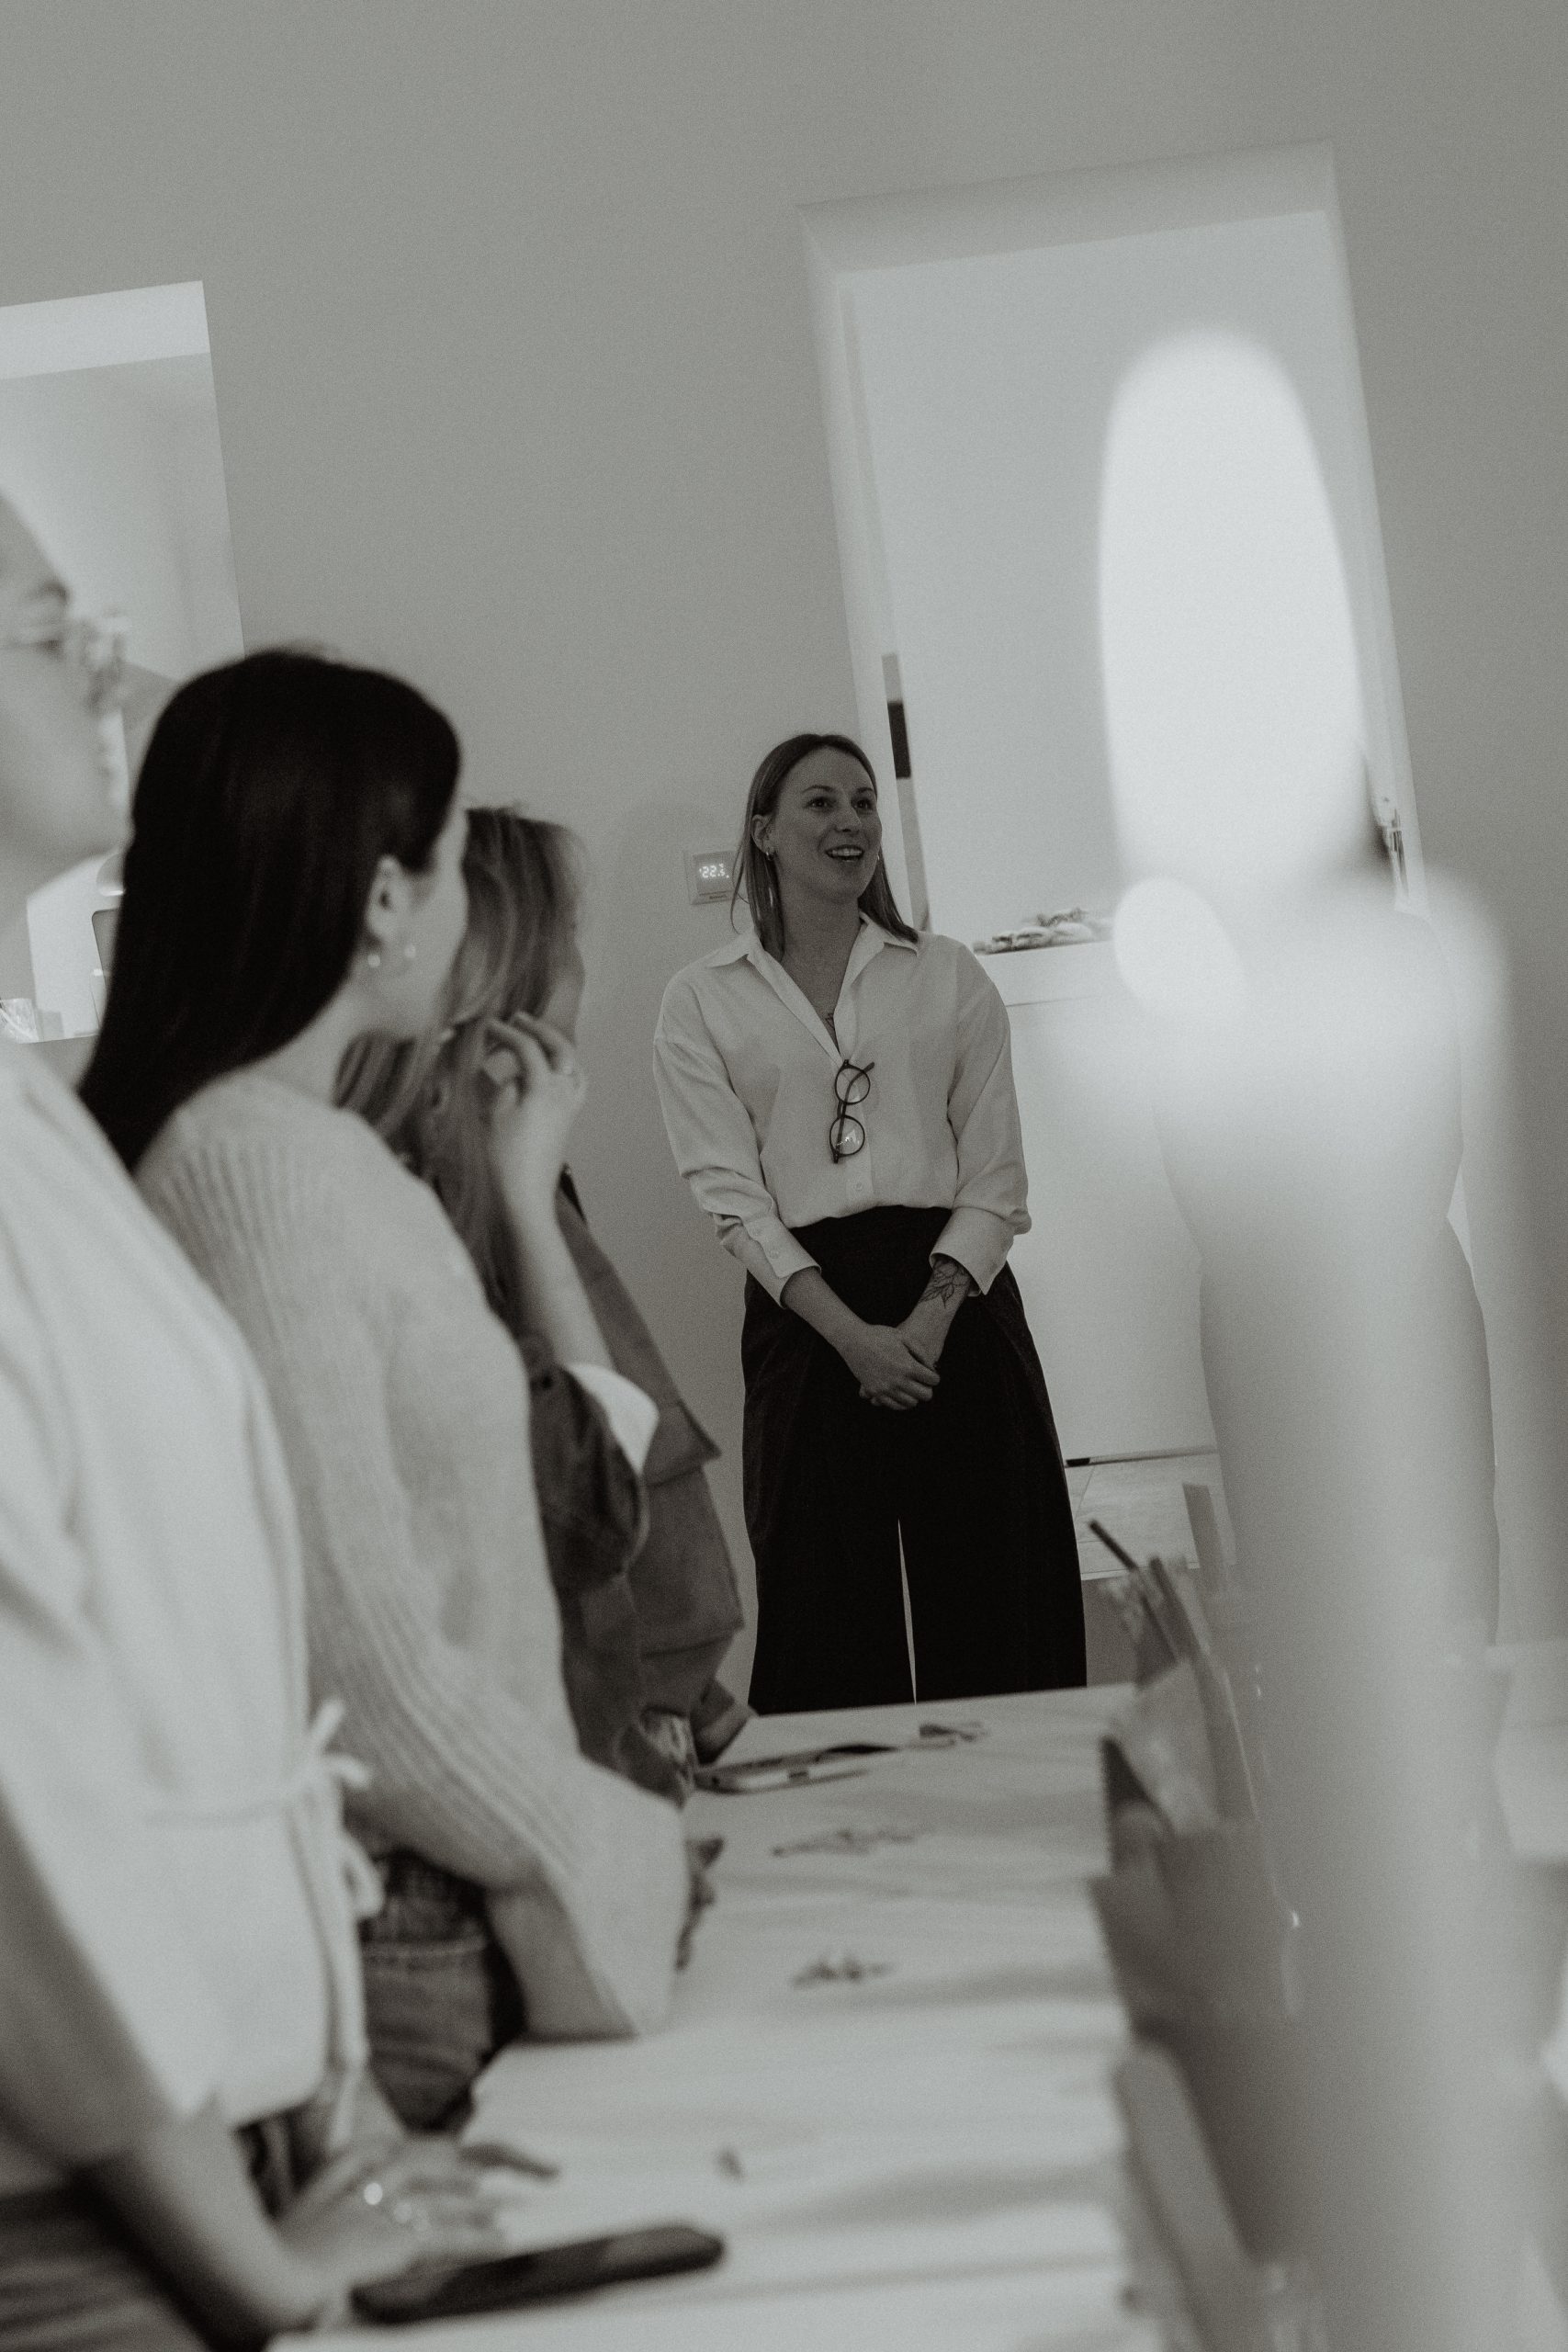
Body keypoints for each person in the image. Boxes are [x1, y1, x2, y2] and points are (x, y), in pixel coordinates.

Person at [0, 505, 515, 2344]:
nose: (108, 667)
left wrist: (330, 2087)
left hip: (211, 2127)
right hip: (90, 2206)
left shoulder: (34, 1112)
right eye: (50, 624)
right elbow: (25, 1774)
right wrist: (245, 2254)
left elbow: (195, 1667)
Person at [79, 649, 690, 2139]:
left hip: (460, 1888)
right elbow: (366, 1667)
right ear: (378, 903)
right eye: (450, 858)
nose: (472, 908)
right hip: (405, 1925)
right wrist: (601, 1840)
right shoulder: (253, 1176)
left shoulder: (313, 1156)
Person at [654, 731, 1087, 1713]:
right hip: (807, 1316)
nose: (849, 821)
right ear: (764, 832)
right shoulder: (702, 999)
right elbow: (732, 1200)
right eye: (819, 802)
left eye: (862, 802)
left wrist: (927, 1323)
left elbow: (996, 1177)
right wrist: (853, 1338)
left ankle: (1011, 1800)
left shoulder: (947, 974)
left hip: (956, 1303)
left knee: (993, 1593)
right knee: (823, 1608)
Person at [339, 806, 749, 1801]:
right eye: (568, 939)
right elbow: (593, 1477)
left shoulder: (503, 1159)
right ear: (514, 968)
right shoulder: (457, 1184)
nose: (582, 972)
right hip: (565, 1734)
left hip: (622, 1706)